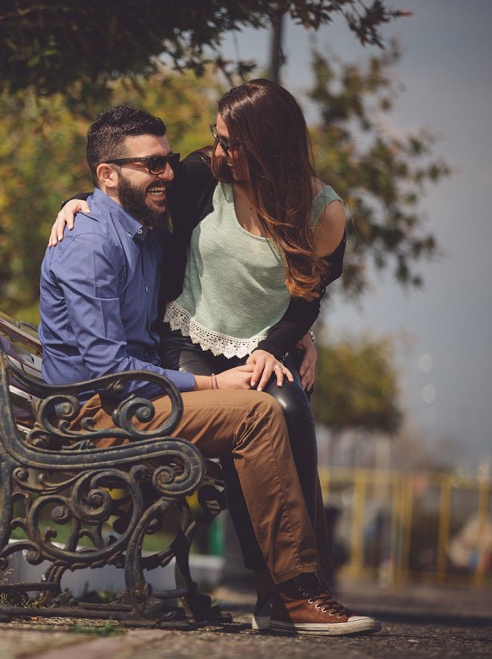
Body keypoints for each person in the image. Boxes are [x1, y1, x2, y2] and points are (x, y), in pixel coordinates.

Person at [39, 104, 378, 636]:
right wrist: (213, 383)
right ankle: (293, 595)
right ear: (109, 175)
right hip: (94, 416)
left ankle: (295, 591)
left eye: (168, 160)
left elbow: (278, 286)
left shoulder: (142, 230)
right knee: (256, 414)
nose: (169, 174)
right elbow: (109, 369)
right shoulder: (90, 243)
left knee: (274, 408)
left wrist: (295, 332)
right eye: (153, 166)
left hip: (132, 403)